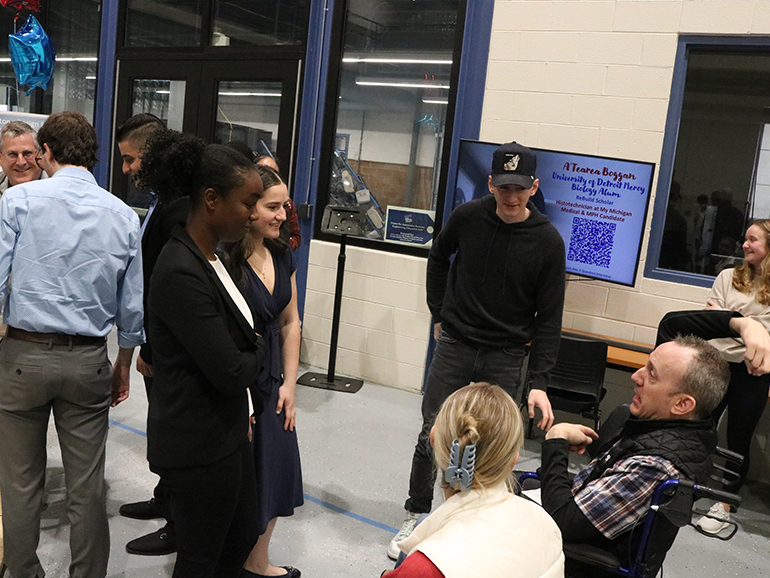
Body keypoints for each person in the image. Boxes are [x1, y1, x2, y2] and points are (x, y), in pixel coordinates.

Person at [390, 141, 566, 558]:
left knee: (494, 443)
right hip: (456, 343)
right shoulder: (468, 217)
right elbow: (438, 258)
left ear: (534, 188)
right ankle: (417, 514)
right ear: (490, 184)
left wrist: (539, 382)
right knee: (432, 431)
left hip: (506, 354)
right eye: (503, 187)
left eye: (519, 189)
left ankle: (478, 521)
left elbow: (550, 318)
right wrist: (439, 313)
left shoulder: (547, 242)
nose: (511, 196)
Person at [0, 111, 144, 578]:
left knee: (20, 484)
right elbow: (133, 307)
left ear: (46, 153)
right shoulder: (123, 215)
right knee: (87, 487)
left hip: (22, 356)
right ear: (94, 155)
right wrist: (123, 362)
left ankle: (22, 572)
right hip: (88, 360)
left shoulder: (18, 201)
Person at [140, 129, 267, 578]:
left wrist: (250, 349)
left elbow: (239, 343)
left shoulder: (212, 258)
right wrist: (260, 349)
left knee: (239, 539)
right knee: (201, 556)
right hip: (196, 444)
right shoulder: (179, 270)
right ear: (212, 199)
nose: (253, 215)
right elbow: (232, 369)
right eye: (248, 203)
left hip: (223, 433)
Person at [539, 336, 729, 577]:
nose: (636, 376)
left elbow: (562, 524)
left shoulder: (655, 465)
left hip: (575, 560)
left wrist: (555, 441)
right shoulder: (664, 428)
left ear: (682, 404)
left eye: (651, 375)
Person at [384, 383, 564, 578]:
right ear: (513, 460)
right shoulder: (546, 523)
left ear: (433, 439)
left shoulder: (425, 568)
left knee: (421, 525)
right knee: (423, 522)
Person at [660, 220, 770, 534]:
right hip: (716, 365)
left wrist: (729, 323)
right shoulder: (727, 276)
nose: (745, 245)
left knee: (738, 440)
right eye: (745, 239)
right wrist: (749, 329)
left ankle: (724, 506)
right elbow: (712, 321)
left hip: (752, 372)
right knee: (698, 429)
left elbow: (733, 323)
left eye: (753, 240)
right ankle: (685, 492)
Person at [115, 113, 189, 555]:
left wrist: (153, 348)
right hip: (153, 339)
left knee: (172, 433)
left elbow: (172, 291)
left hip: (165, 347)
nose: (125, 169)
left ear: (153, 155)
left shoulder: (178, 206)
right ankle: (165, 499)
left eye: (130, 159)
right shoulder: (162, 199)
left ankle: (179, 524)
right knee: (159, 429)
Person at [226, 164, 303, 578]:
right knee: (241, 478)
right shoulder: (226, 258)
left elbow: (291, 322)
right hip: (241, 379)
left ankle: (257, 559)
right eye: (272, 207)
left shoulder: (280, 252)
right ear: (249, 209)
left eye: (284, 206)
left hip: (275, 379)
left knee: (275, 468)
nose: (281, 215)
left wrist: (290, 383)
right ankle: (231, 558)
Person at [255, 154, 301, 251]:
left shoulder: (282, 253)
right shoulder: (226, 255)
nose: (282, 217)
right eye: (272, 207)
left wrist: (285, 246)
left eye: (274, 172)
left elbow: (296, 236)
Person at [0, 120, 46, 194]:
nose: (21, 162)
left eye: (27, 153)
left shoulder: (59, 188)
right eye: (13, 155)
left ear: (40, 154)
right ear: (0, 158)